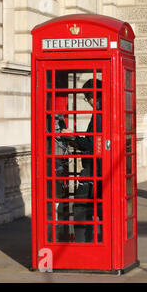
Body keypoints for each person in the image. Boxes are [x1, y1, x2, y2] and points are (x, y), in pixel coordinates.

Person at [61, 79, 102, 242]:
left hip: (95, 168)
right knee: (100, 208)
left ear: (94, 95)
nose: (89, 102)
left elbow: (92, 145)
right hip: (101, 168)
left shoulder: (99, 114)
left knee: (80, 208)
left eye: (87, 97)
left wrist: (73, 137)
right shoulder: (102, 112)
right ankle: (100, 242)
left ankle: (82, 245)